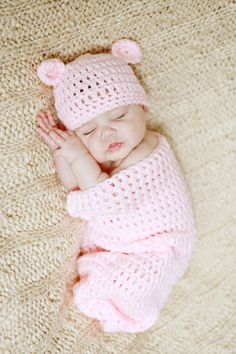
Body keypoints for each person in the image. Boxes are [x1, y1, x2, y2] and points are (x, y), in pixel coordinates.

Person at [36, 39, 197, 333]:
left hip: (160, 246)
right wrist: (62, 150)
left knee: (137, 282)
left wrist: (78, 153)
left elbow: (105, 197)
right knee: (120, 279)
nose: (108, 132)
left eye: (119, 116)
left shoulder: (147, 151)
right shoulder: (97, 155)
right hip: (122, 244)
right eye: (88, 130)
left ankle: (136, 311)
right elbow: (76, 186)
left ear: (142, 109)